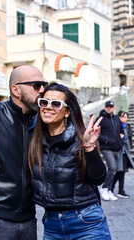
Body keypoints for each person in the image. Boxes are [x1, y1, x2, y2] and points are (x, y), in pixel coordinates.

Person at [28, 83, 111, 240]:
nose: (48, 107)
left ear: (67, 112)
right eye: (44, 102)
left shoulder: (82, 138)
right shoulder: (34, 141)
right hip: (52, 225)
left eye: (56, 104)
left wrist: (89, 147)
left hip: (86, 222)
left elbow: (98, 178)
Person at [0, 65, 48, 240]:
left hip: (28, 217)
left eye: (44, 85)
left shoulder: (40, 121)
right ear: (16, 89)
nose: (42, 90)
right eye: (36, 85)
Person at [97, 101, 124, 201]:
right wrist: (106, 140)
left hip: (117, 147)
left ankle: (108, 190)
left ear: (113, 107)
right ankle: (104, 188)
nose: (109, 108)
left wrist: (121, 137)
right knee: (112, 167)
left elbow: (121, 130)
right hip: (106, 147)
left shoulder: (116, 118)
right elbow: (96, 132)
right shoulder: (101, 118)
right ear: (105, 107)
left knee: (115, 169)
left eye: (111, 106)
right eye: (107, 106)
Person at [112, 111, 134, 198]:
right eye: (124, 117)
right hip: (118, 151)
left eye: (126, 117)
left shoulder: (128, 126)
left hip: (125, 152)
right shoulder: (115, 126)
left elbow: (129, 138)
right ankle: (110, 186)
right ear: (119, 117)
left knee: (123, 171)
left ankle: (121, 190)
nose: (126, 119)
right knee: (119, 171)